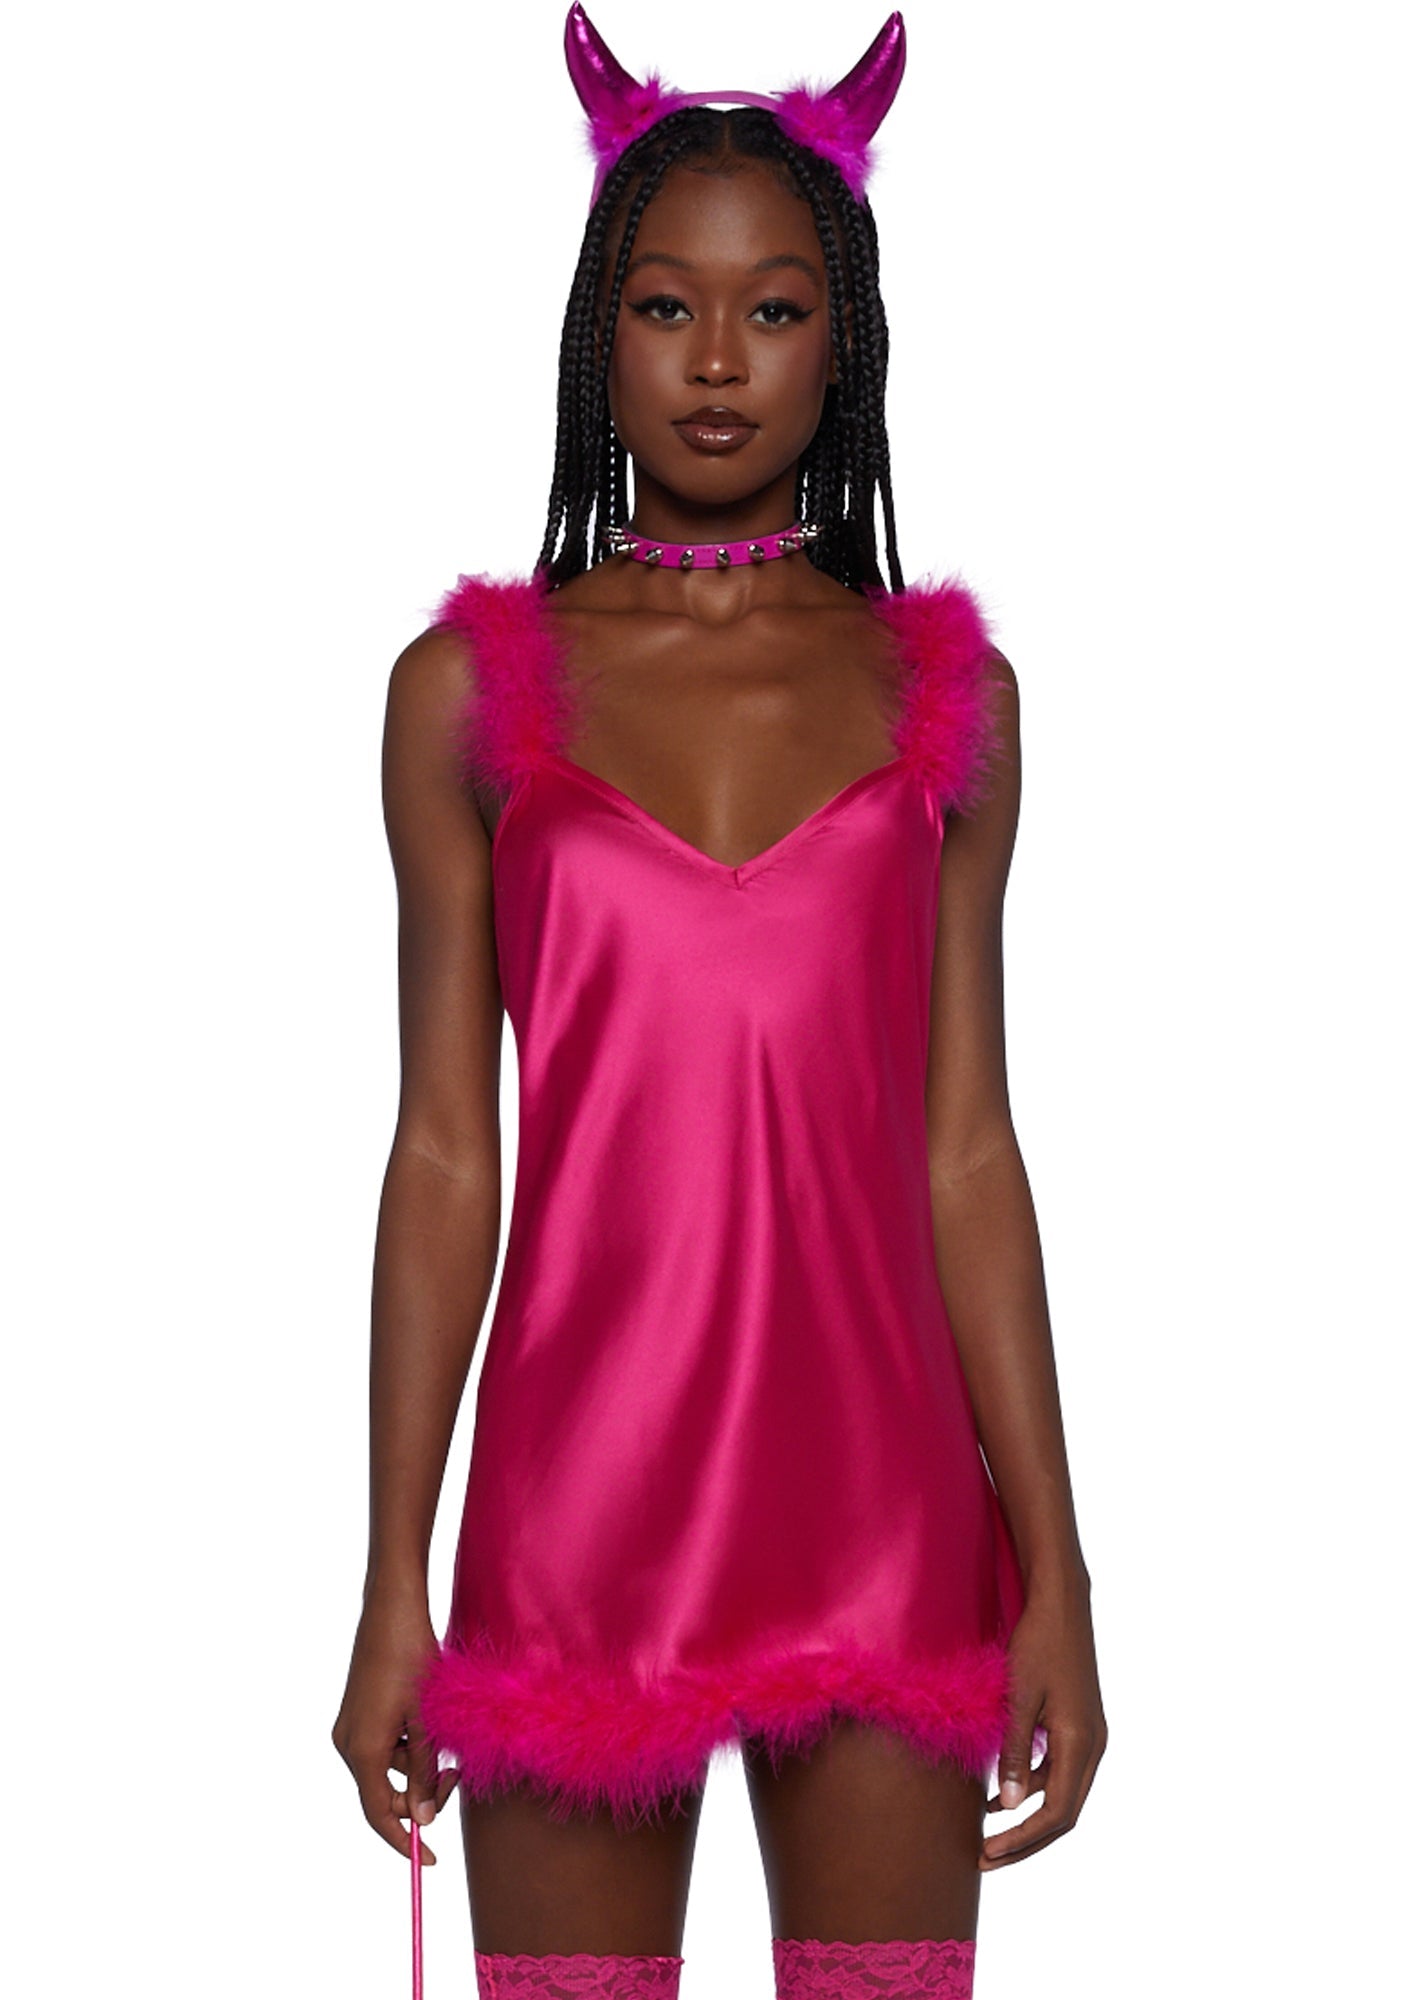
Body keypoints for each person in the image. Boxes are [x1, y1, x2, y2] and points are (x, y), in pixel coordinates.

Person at [333, 9, 1107, 1996]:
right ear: (596, 331)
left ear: (843, 344)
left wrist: (1059, 1572)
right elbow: (444, 1152)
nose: (713, 360)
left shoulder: (944, 697)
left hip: (884, 1511)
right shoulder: (469, 694)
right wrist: (391, 1580)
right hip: (576, 1510)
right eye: (665, 305)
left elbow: (965, 1151)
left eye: (772, 311)